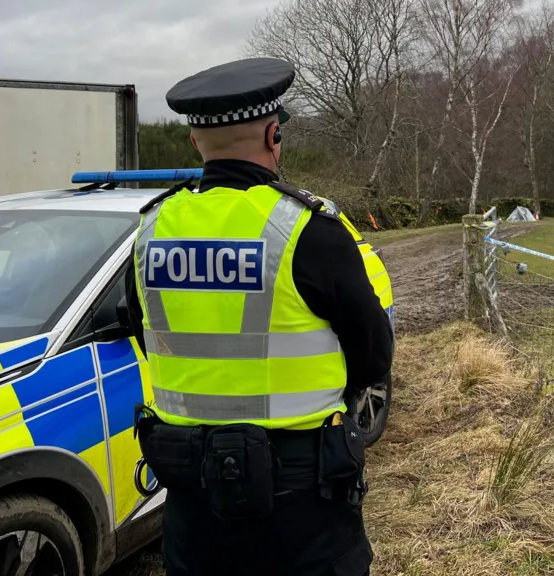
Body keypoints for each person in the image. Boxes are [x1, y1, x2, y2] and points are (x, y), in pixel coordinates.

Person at [124, 57, 394, 576]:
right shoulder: (308, 230)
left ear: (194, 144)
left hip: (189, 486)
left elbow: (146, 332)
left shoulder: (152, 230)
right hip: (299, 488)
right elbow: (372, 354)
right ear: (275, 134)